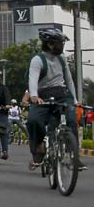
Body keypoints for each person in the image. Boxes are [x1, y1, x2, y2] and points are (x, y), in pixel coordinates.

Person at [26, 28, 84, 170]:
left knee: (71, 120)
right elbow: (32, 79)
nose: (62, 46)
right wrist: (34, 96)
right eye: (60, 43)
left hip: (62, 94)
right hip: (43, 95)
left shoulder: (62, 58)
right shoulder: (37, 60)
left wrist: (75, 100)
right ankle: (39, 145)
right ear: (50, 44)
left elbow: (69, 80)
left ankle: (74, 157)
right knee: (33, 120)